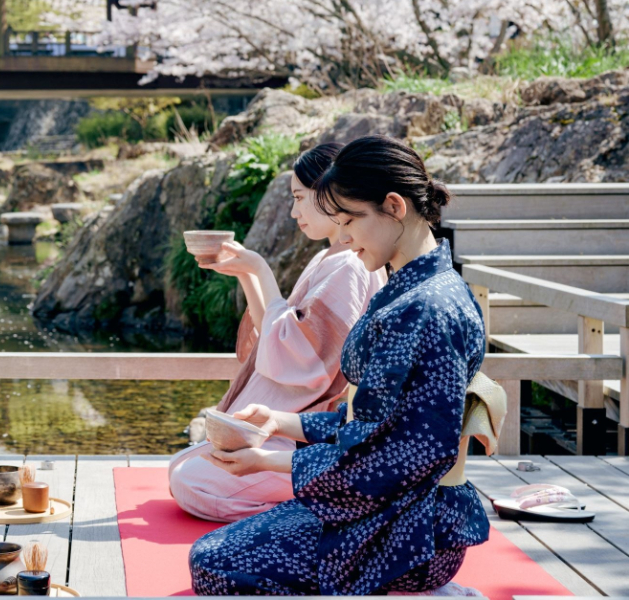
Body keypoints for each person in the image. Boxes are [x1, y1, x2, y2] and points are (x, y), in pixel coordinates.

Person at [188, 135, 489, 595]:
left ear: (394, 206)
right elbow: (371, 423)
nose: (343, 236)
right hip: (388, 509)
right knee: (213, 552)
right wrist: (280, 421)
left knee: (214, 565)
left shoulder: (425, 308)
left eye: (349, 220)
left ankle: (407, 590)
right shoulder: (422, 289)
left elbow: (398, 455)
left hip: (406, 532)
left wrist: (267, 461)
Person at [168, 143, 386, 522]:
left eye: (300, 198)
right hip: (290, 425)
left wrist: (262, 270)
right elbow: (275, 338)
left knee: (190, 481)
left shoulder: (351, 267)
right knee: (181, 466)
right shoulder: (327, 258)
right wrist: (247, 275)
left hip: (310, 430)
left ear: (332, 194)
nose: (294, 212)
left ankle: (314, 510)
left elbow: (298, 358)